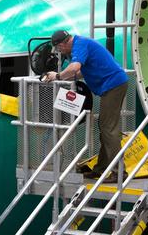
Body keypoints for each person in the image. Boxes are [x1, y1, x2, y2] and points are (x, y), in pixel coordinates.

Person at [44, 30, 128, 183]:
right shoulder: (81, 43)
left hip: (113, 85)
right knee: (105, 127)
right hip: (112, 85)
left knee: (109, 128)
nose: (60, 52)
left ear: (63, 43)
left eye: (59, 49)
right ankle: (101, 169)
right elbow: (81, 71)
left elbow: (75, 67)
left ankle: (119, 172)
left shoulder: (79, 44)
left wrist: (57, 76)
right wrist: (64, 76)